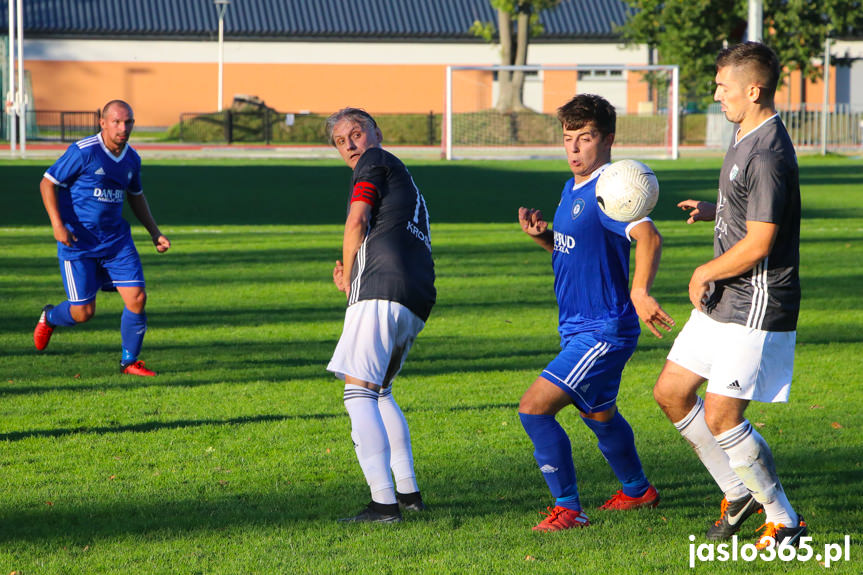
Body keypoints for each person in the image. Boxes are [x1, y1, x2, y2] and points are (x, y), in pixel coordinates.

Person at [653, 42, 806, 548]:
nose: (716, 94)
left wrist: (703, 271)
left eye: (723, 86)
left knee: (722, 414)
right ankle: (737, 492)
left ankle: (783, 520)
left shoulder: (768, 153)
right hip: (728, 297)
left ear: (753, 90)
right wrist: (712, 208)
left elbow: (761, 242)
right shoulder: (745, 135)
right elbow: (746, 212)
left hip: (758, 300)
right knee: (672, 393)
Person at [517, 94, 674, 532]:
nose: (574, 149)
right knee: (599, 414)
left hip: (602, 329)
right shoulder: (573, 187)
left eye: (584, 138)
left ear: (607, 139)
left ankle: (568, 508)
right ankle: (638, 489)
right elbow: (578, 251)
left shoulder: (613, 190)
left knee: (533, 410)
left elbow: (649, 236)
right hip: (577, 327)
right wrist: (545, 237)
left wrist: (640, 291)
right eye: (568, 138)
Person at [325, 107, 435, 523]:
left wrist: (350, 273)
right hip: (416, 294)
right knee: (381, 390)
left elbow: (358, 219)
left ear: (377, 133)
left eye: (357, 133)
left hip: (381, 286)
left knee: (358, 393)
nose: (351, 145)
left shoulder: (374, 162)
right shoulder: (404, 177)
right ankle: (408, 493)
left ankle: (383, 504)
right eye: (341, 141)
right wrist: (353, 267)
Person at [33, 100, 170, 376]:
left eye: (128, 122)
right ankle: (50, 316)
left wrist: (155, 232)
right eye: (117, 122)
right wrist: (57, 226)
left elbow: (135, 195)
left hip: (116, 242)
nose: (123, 128)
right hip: (78, 244)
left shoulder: (132, 158)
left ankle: (129, 361)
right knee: (83, 313)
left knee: (137, 298)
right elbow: (47, 182)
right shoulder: (83, 152)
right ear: (103, 122)